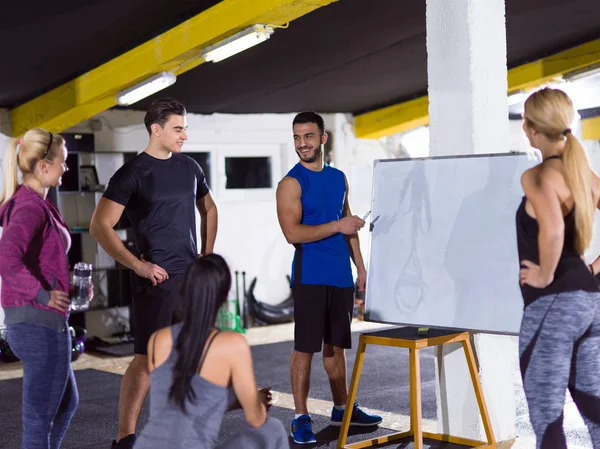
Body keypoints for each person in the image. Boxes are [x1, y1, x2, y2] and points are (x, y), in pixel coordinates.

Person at [89, 98, 219, 449]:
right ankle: (125, 438)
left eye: (185, 128)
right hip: (155, 280)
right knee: (147, 361)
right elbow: (100, 226)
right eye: (178, 129)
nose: (185, 135)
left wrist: (206, 256)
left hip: (190, 278)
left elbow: (209, 208)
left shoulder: (191, 168)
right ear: (156, 130)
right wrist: (137, 264)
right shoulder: (132, 173)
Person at [275, 111, 382, 444]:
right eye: (296, 137)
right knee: (304, 348)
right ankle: (300, 416)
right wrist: (338, 226)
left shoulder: (338, 178)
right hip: (310, 276)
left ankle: (342, 408)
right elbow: (292, 233)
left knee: (336, 348)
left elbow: (348, 222)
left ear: (323, 138)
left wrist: (361, 269)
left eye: (308, 136)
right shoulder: (290, 183)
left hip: (341, 276)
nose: (302, 143)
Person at [133, 253, 289, 449]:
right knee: (273, 428)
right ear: (224, 297)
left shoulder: (158, 339)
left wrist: (237, 399)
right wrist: (253, 401)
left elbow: (181, 404)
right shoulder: (232, 344)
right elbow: (256, 418)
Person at [516, 87, 600, 448]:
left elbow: (553, 231)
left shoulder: (537, 176)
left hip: (551, 304)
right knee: (595, 410)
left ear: (532, 128)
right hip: (590, 302)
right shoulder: (583, 174)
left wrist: (542, 275)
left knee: (547, 419)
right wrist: (592, 270)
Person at [0, 129, 80, 448]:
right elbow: (6, 258)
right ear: (44, 166)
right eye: (63, 161)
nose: (66, 168)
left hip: (37, 323)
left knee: (64, 405)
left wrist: (66, 286)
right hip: (38, 326)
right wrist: (44, 295)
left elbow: (42, 260)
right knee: (38, 420)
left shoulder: (34, 202)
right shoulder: (30, 207)